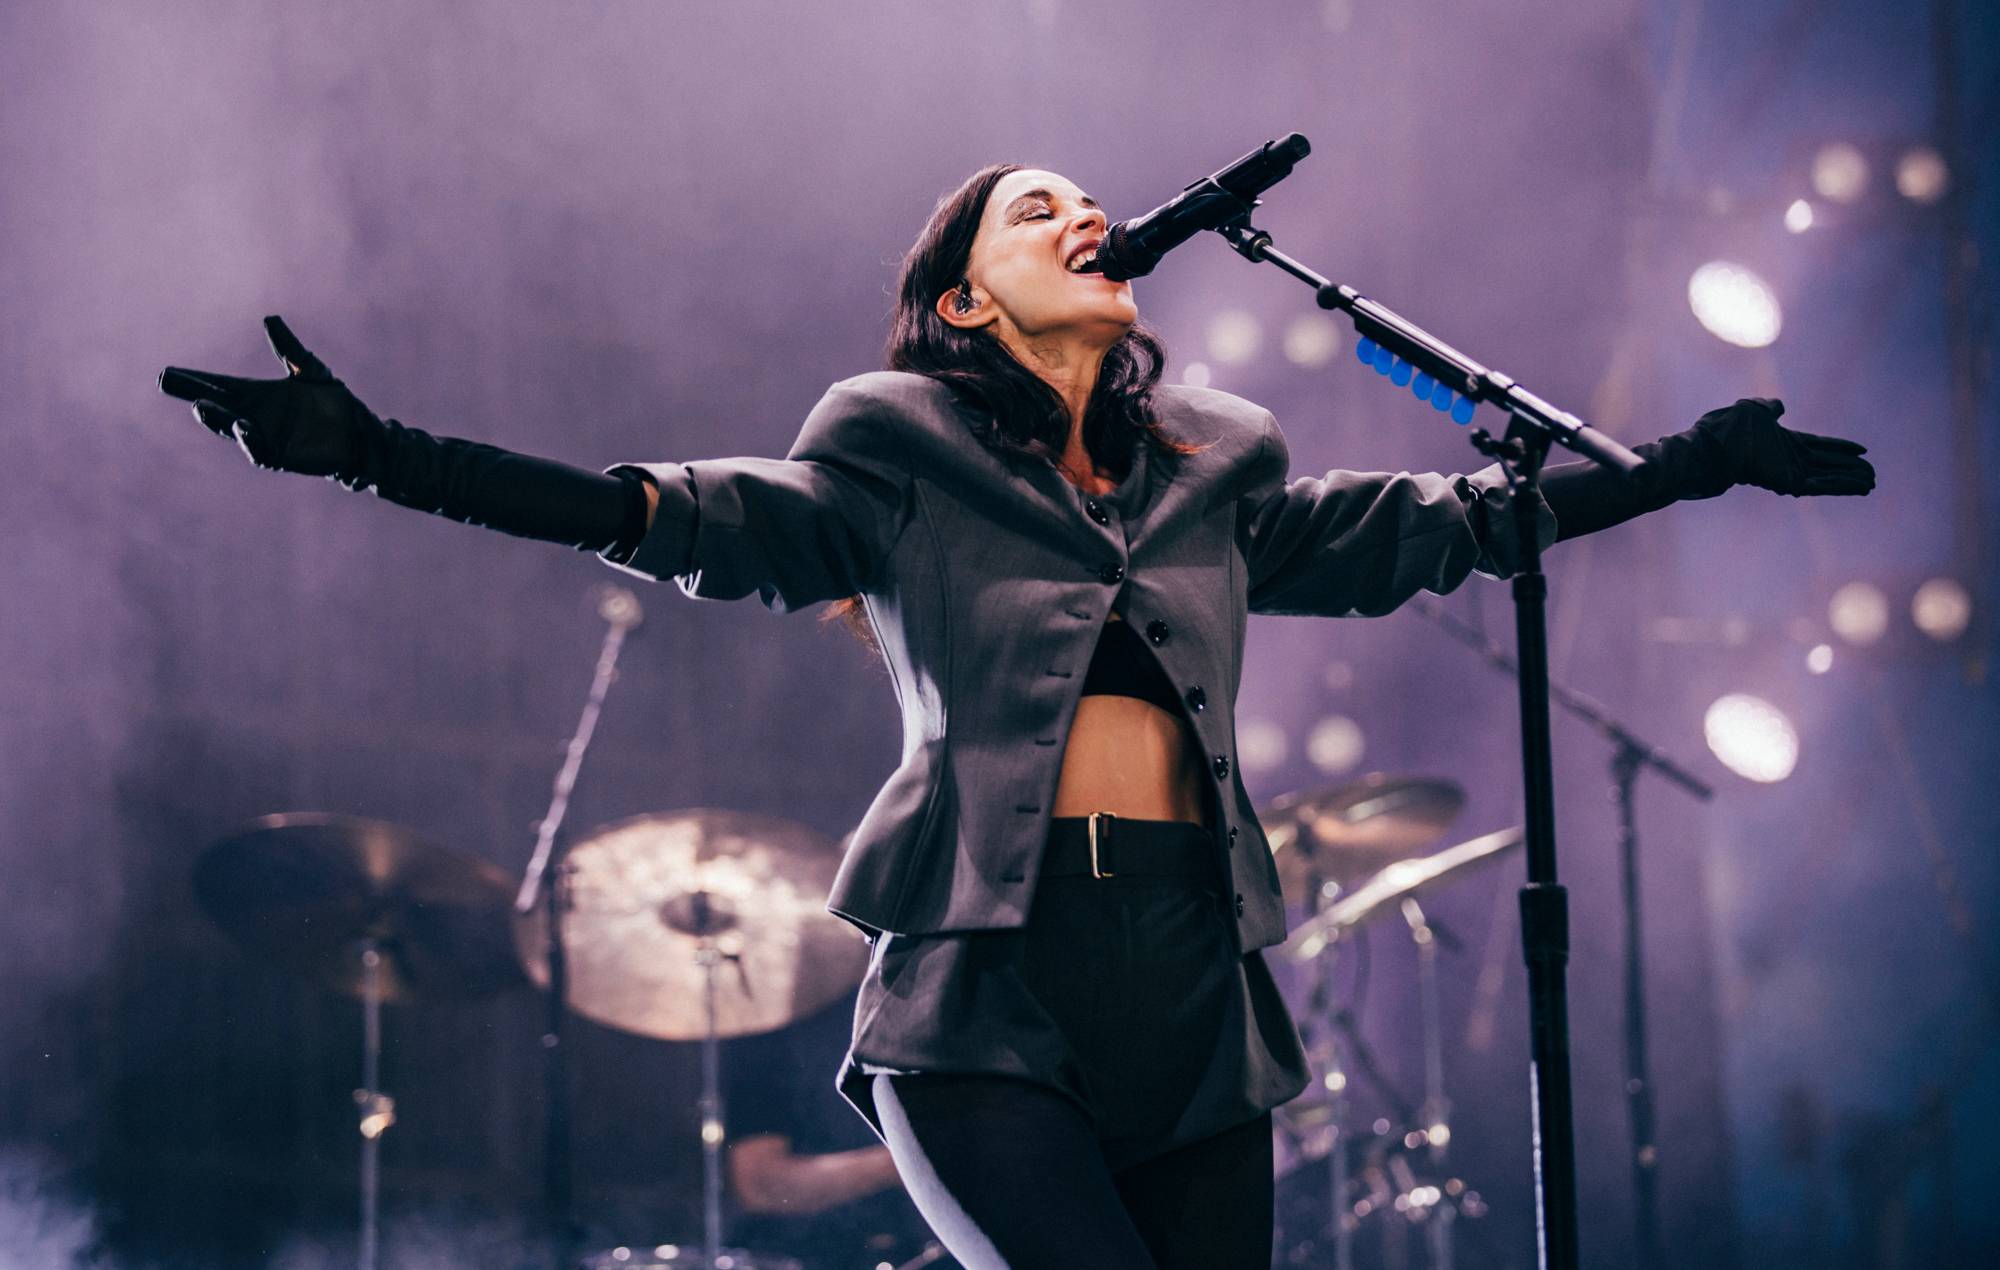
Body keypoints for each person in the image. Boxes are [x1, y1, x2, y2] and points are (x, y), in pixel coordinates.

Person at [160, 163, 1873, 1269]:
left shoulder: (1217, 468)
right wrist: (381, 452)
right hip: (990, 991)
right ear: (968, 297)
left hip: (1200, 996)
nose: (1083, 217)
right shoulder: (887, 448)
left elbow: (1439, 530)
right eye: (1032, 208)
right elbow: (650, 507)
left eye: (1087, 202)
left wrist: (1682, 473)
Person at [723, 996, 953, 1269]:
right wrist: (905, 1160)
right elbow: (761, 1184)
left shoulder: (924, 1009)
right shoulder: (768, 1035)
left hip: (920, 1248)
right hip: (808, 1254)